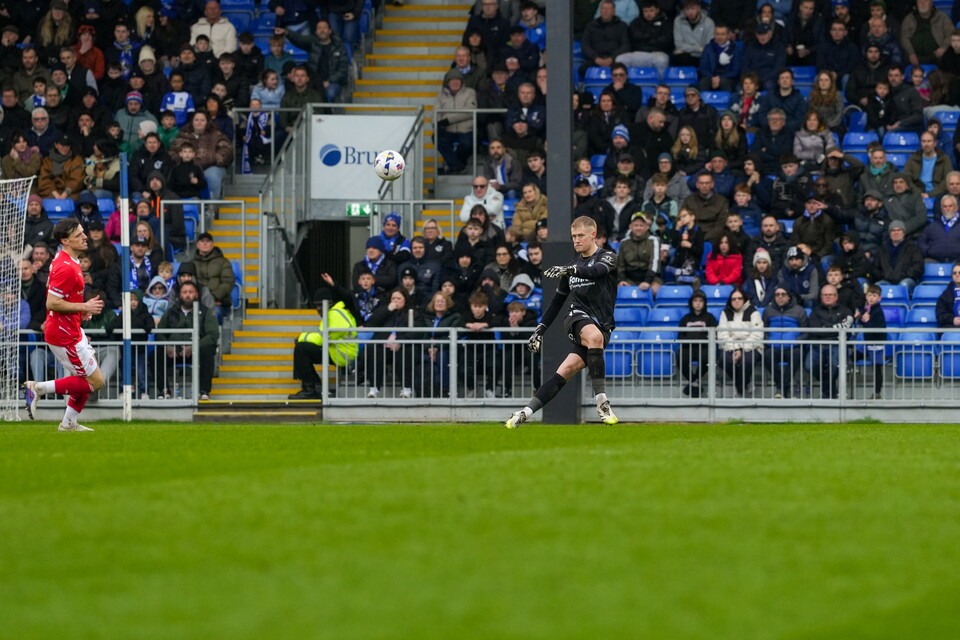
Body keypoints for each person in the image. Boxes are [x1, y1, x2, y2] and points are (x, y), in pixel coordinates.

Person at [505, 216, 619, 428]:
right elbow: (557, 302)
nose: (576, 240)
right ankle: (602, 402)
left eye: (580, 236)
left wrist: (571, 271)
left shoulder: (608, 257)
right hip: (576, 317)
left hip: (602, 324)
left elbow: (597, 272)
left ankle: (524, 412)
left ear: (593, 235)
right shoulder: (571, 266)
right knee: (593, 336)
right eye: (573, 236)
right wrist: (540, 329)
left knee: (565, 370)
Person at [23, 218, 106, 431]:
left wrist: (81, 311)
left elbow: (63, 297)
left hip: (70, 328)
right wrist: (83, 307)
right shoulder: (65, 266)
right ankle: (38, 388)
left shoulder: (66, 259)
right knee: (95, 382)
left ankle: (69, 423)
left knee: (85, 376)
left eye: (83, 232)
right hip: (63, 333)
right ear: (65, 240)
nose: (85, 236)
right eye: (79, 235)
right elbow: (52, 302)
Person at [288, 278, 360, 399]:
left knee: (301, 348)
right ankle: (313, 385)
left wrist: (302, 337)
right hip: (339, 350)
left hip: (342, 354)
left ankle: (310, 388)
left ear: (328, 303)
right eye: (316, 306)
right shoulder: (335, 312)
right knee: (302, 348)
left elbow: (322, 338)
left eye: (320, 306)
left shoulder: (334, 315)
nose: (318, 309)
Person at [362, 288, 416, 399]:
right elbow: (371, 323)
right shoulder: (385, 310)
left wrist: (399, 340)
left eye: (399, 298)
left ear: (405, 300)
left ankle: (406, 389)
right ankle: (374, 388)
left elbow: (415, 331)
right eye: (393, 298)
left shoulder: (412, 312)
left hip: (402, 345)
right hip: (384, 345)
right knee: (375, 351)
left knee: (405, 353)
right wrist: (387, 310)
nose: (395, 301)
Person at [808, 284, 854, 399]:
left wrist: (825, 327)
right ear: (821, 296)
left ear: (836, 296)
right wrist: (834, 328)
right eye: (825, 295)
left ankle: (827, 392)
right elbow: (814, 330)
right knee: (809, 365)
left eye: (831, 295)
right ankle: (831, 388)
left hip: (838, 345)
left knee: (834, 365)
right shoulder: (815, 311)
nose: (828, 297)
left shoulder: (846, 311)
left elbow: (847, 329)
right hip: (818, 344)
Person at [717, 285, 763, 398]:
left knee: (746, 361)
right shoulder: (725, 313)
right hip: (730, 346)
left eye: (739, 298)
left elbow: (757, 334)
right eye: (734, 299)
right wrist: (736, 348)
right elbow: (722, 334)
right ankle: (746, 381)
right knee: (724, 360)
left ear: (744, 299)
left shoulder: (753, 312)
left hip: (752, 346)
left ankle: (739, 390)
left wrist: (742, 349)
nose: (737, 301)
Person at [435, 70, 477, 176]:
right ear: (447, 82)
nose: (455, 82)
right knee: (436, 138)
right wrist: (437, 124)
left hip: (466, 129)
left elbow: (469, 112)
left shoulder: (470, 92)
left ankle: (453, 166)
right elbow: (435, 113)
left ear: (462, 81)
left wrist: (447, 120)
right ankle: (458, 166)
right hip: (448, 130)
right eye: (452, 80)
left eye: (458, 79)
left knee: (468, 144)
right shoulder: (441, 96)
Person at [677, 289, 716, 397]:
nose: (698, 303)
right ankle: (695, 381)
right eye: (695, 300)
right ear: (691, 303)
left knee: (706, 357)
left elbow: (713, 335)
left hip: (704, 347)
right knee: (680, 358)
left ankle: (694, 383)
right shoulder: (685, 318)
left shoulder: (710, 318)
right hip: (688, 347)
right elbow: (680, 336)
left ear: (704, 303)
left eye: (700, 301)